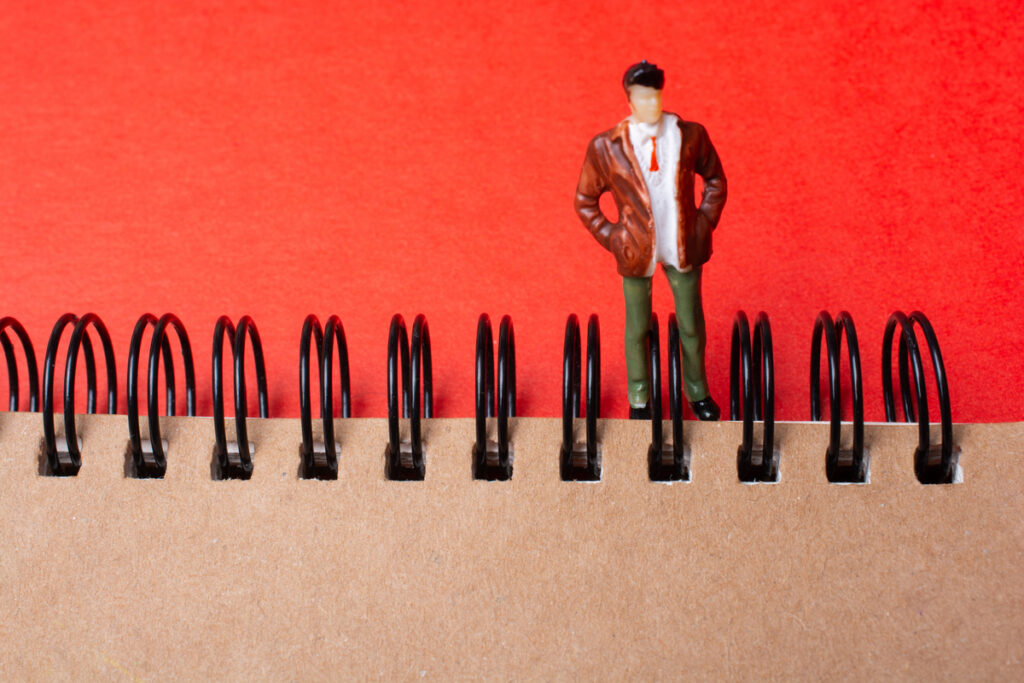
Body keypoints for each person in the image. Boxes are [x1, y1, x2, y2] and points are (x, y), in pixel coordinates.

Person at [574, 60, 726, 420]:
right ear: (630, 102)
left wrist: (704, 223)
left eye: (655, 96)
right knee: (637, 328)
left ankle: (697, 391)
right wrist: (612, 236)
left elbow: (716, 180)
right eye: (643, 98)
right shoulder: (606, 147)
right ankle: (640, 397)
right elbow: (585, 201)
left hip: (683, 245)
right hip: (636, 249)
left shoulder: (689, 135)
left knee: (691, 324)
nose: (651, 105)